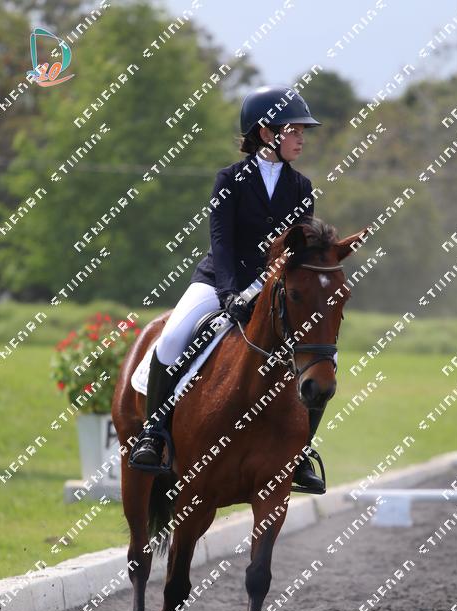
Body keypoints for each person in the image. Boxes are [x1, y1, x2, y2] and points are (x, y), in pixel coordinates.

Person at [129, 84, 327, 493]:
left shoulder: (301, 188)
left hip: (272, 287)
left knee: (322, 357)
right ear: (267, 133)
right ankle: (154, 433)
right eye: (294, 131)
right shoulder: (230, 179)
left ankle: (301, 451)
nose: (302, 138)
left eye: (302, 132)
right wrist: (229, 293)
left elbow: (299, 250)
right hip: (219, 280)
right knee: (172, 339)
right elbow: (220, 242)